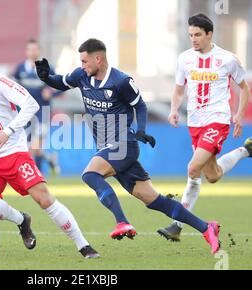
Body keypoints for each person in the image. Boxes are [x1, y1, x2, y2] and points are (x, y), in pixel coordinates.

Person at [35, 38, 221, 254]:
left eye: (85, 61)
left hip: (124, 144)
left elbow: (140, 105)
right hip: (109, 147)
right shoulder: (81, 75)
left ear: (99, 58)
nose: (83, 65)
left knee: (90, 175)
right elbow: (61, 82)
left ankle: (122, 222)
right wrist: (46, 77)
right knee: (154, 201)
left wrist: (141, 130)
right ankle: (206, 228)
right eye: (81, 62)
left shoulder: (121, 81)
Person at [0, 40, 99, 259]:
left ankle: (83, 245)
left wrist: (7, 131)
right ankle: (22, 220)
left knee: (44, 199)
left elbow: (31, 104)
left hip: (14, 153)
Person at [157, 13, 252, 241]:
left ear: (209, 34)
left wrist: (240, 114)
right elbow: (178, 90)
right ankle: (247, 150)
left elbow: (245, 88)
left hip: (217, 120)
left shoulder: (227, 59)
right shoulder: (184, 59)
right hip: (195, 123)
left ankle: (177, 225)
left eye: (197, 35)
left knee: (193, 168)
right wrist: (174, 110)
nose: (193, 39)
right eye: (190, 35)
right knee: (212, 175)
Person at [13, 39, 60, 175]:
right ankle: (50, 159)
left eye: (35, 49)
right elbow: (12, 86)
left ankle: (36, 173)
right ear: (26, 52)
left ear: (39, 51)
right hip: (26, 113)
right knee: (29, 146)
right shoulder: (20, 68)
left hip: (42, 113)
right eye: (30, 49)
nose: (32, 52)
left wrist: (51, 91)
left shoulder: (47, 68)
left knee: (35, 144)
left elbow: (61, 86)